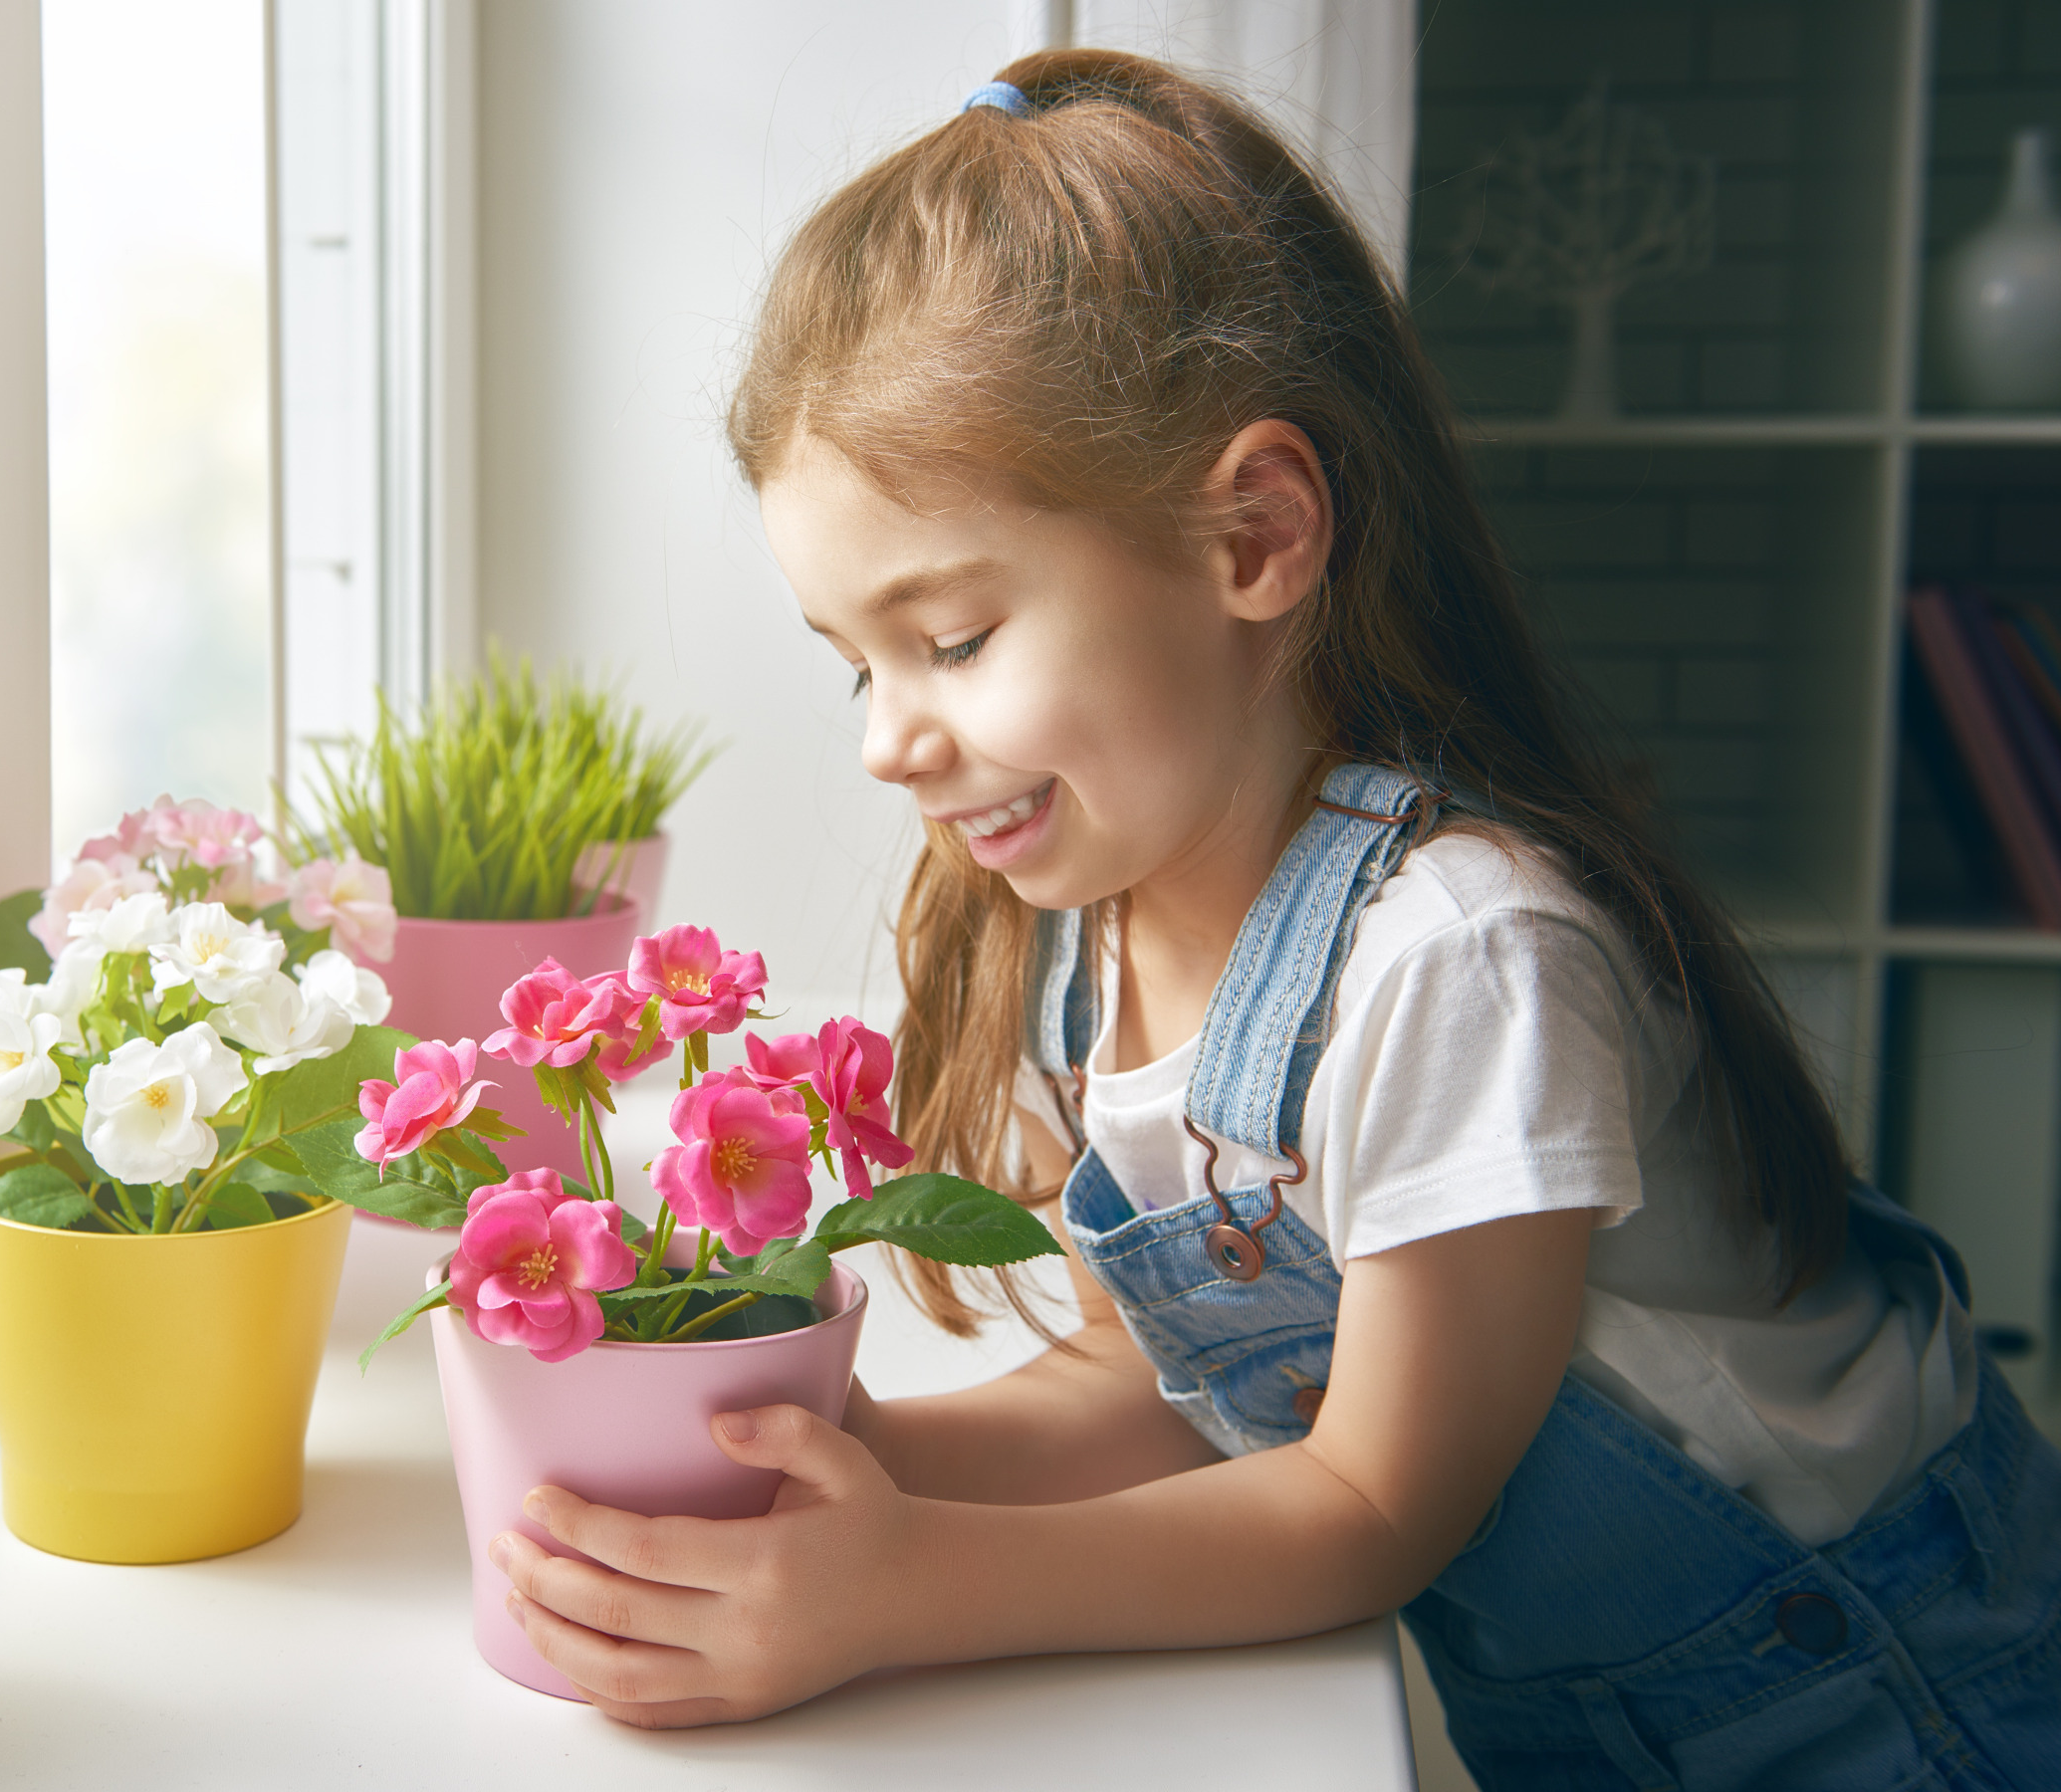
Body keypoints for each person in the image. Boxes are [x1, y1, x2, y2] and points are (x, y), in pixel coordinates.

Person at [479, 49, 2061, 1789]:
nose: (884, 738)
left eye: (954, 639)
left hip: (1891, 1709)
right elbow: (1141, 1386)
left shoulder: (1461, 958)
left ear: (1254, 534)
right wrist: (828, 1459)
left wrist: (902, 1591)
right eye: (854, 661)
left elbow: (1371, 1501)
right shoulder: (1093, 918)